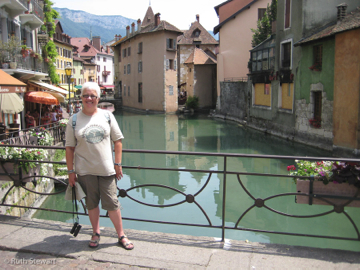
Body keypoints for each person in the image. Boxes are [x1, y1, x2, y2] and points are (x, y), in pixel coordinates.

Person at [65, 81, 134, 250]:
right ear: (81, 98)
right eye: (86, 95)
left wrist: (118, 163)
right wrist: (70, 172)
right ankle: (95, 233)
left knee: (112, 203)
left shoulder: (107, 116)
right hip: (85, 170)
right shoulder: (73, 120)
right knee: (91, 203)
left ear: (98, 98)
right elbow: (69, 148)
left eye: (92, 96)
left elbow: (118, 141)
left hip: (106, 170)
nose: (89, 98)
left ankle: (121, 235)